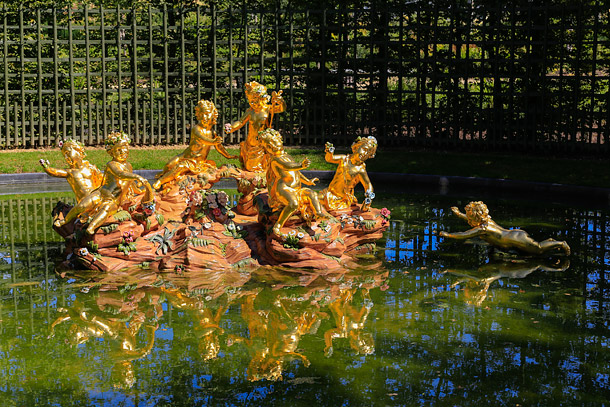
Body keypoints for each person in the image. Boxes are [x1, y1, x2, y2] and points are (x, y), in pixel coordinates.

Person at [54, 131, 155, 235]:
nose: (122, 152)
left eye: (125, 149)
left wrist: (138, 191)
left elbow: (129, 182)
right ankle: (65, 221)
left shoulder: (129, 166)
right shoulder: (112, 164)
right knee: (82, 206)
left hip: (114, 201)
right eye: (118, 150)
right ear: (111, 153)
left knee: (106, 210)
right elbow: (120, 174)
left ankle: (91, 227)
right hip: (101, 193)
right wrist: (137, 177)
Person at [258, 128, 329, 235]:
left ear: (280, 140)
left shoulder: (287, 156)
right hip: (284, 189)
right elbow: (287, 166)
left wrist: (307, 181)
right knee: (293, 204)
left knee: (312, 193)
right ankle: (278, 225)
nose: (272, 145)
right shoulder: (275, 159)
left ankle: (318, 213)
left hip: (296, 189)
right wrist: (300, 165)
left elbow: (296, 173)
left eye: (274, 141)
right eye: (268, 145)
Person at [153, 99, 237, 190]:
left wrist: (228, 155)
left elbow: (219, 147)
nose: (204, 116)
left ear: (213, 115)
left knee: (180, 167)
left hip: (197, 163)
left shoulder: (212, 133)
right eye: (201, 114)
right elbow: (202, 139)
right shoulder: (196, 129)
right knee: (169, 165)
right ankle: (166, 177)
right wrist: (213, 142)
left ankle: (160, 181)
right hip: (186, 156)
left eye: (206, 113)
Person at [439, 201, 571, 255]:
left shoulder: (483, 229)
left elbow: (463, 235)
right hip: (515, 235)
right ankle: (551, 241)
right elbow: (472, 221)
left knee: (539, 249)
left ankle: (561, 243)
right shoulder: (487, 221)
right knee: (535, 247)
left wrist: (448, 235)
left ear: (474, 216)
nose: (468, 217)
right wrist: (458, 214)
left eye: (468, 214)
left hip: (516, 239)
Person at [225, 81, 286, 173]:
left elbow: (281, 108)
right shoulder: (250, 111)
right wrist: (232, 127)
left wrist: (280, 101)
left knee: (258, 168)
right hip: (251, 143)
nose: (253, 103)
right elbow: (241, 122)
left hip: (263, 144)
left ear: (263, 98)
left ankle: (263, 180)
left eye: (255, 100)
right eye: (250, 101)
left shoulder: (268, 109)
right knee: (249, 167)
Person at [319, 136, 377, 211]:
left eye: (368, 153)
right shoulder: (344, 159)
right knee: (313, 198)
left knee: (316, 200)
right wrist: (329, 152)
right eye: (364, 149)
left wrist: (369, 197)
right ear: (357, 147)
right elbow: (329, 159)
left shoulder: (360, 170)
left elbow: (368, 185)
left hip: (342, 198)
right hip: (330, 192)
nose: (365, 154)